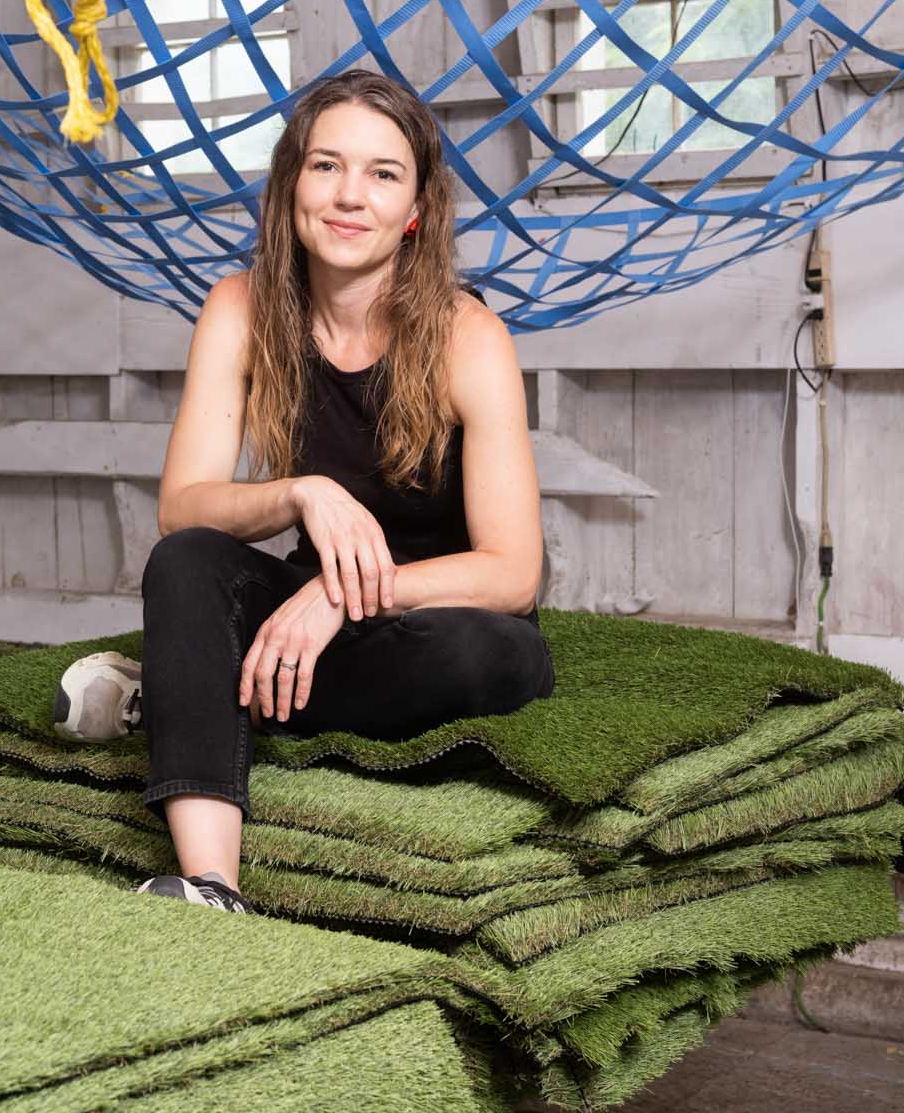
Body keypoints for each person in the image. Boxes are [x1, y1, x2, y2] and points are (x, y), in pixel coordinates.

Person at [56, 70, 554, 913]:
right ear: (290, 187)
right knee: (186, 563)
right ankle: (211, 886)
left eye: (382, 174)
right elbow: (183, 506)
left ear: (417, 210)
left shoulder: (470, 338)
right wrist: (300, 495)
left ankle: (185, 694)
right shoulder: (239, 308)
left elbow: (511, 573)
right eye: (325, 167)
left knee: (489, 659)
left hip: (433, 616)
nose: (349, 196)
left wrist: (343, 595)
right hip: (306, 618)